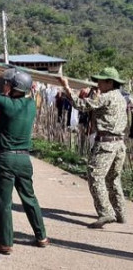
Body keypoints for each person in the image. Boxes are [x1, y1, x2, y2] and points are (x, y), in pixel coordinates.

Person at [0, 59, 48, 255]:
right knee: (29, 198)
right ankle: (42, 237)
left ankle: (5, 243)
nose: (4, 85)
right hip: (24, 159)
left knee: (3, 202)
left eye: (7, 83)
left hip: (5, 159)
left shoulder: (6, 104)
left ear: (14, 87)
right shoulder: (30, 105)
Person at [59, 67, 128, 228]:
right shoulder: (120, 97)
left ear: (110, 83)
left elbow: (81, 105)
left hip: (106, 143)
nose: (97, 84)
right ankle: (120, 213)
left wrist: (66, 87)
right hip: (119, 144)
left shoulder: (106, 97)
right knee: (113, 179)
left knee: (95, 175)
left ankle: (106, 213)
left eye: (101, 81)